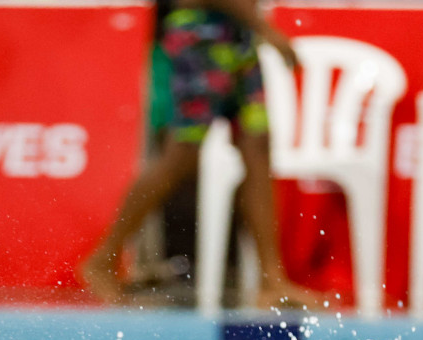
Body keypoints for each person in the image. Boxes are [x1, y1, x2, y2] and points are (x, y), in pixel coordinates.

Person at [81, 0, 321, 310]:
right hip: (201, 31)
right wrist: (265, 28)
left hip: (241, 32)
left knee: (258, 149)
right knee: (182, 154)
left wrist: (254, 26)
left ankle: (272, 280)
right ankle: (103, 258)